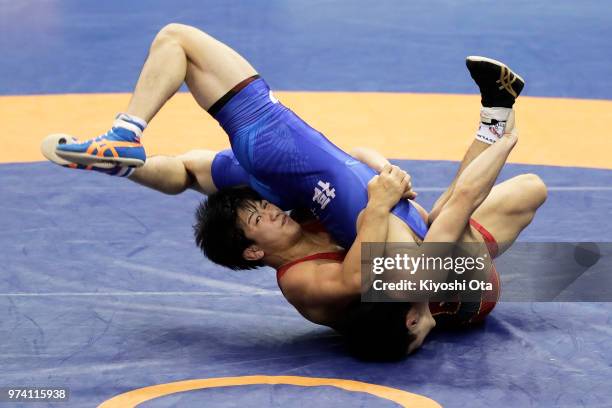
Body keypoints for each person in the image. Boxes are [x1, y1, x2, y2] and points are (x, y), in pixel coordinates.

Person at [44, 24, 547, 355]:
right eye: (260, 216)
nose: (270, 209)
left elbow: (189, 173)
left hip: (417, 294)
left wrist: (376, 170)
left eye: (262, 205)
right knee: (445, 228)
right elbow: (373, 267)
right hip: (453, 291)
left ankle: (124, 156)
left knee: (529, 190)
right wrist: (506, 142)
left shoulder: (288, 217)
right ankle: (497, 119)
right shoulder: (304, 283)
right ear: (255, 248)